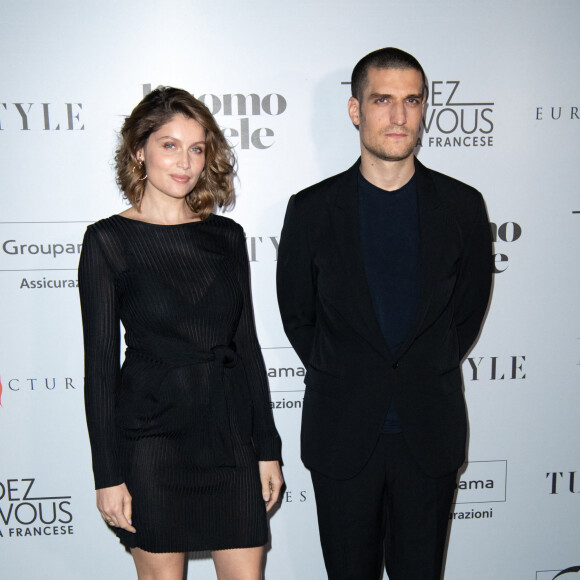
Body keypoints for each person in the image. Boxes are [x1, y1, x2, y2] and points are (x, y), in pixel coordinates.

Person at [276, 48, 493, 580]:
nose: (398, 116)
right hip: (342, 436)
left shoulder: (463, 206)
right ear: (355, 110)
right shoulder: (310, 209)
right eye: (382, 100)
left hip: (429, 433)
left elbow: (465, 313)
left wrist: (419, 367)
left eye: (411, 101)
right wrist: (353, 371)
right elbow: (298, 316)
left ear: (423, 110)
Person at [78, 87, 283, 580]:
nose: (185, 161)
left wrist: (267, 447)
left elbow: (247, 348)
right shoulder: (108, 241)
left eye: (197, 148)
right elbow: (100, 369)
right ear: (138, 151)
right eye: (169, 145)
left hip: (230, 437)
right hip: (151, 443)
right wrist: (108, 475)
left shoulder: (227, 238)